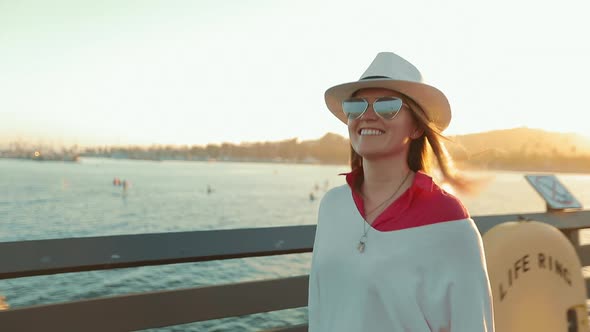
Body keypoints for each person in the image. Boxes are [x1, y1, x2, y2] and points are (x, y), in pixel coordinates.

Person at [308, 52, 494, 331]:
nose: (367, 116)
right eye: (356, 106)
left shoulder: (449, 220)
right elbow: (320, 308)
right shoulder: (332, 206)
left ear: (417, 126)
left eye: (387, 106)